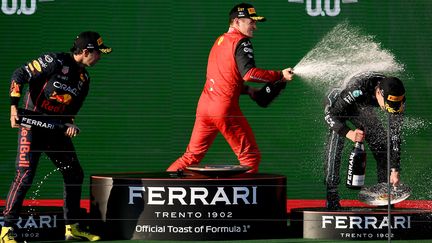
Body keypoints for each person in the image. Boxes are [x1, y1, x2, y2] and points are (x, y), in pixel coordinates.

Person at [0, 31, 111, 243]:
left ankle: (72, 227)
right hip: (31, 125)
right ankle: (6, 230)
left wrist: (70, 124)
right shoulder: (54, 61)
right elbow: (19, 74)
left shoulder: (84, 79)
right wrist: (13, 107)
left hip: (54, 129)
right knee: (25, 176)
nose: (100, 56)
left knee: (74, 173)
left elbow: (70, 111)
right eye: (98, 52)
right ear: (86, 51)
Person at [167, 3, 294, 173]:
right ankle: (244, 199)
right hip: (224, 109)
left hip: (204, 107)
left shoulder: (219, 41)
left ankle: (157, 192)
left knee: (191, 156)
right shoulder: (241, 41)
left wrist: (247, 90)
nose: (255, 27)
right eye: (251, 22)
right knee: (250, 157)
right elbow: (249, 74)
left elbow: (224, 77)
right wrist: (279, 75)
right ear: (237, 21)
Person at [323, 72, 406, 210]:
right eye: (388, 106)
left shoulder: (398, 99)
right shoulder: (358, 88)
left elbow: (395, 136)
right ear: (379, 93)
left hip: (360, 107)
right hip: (338, 103)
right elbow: (329, 115)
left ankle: (385, 196)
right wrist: (348, 133)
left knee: (382, 145)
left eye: (395, 106)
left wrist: (395, 169)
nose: (391, 110)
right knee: (337, 138)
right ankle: (332, 197)